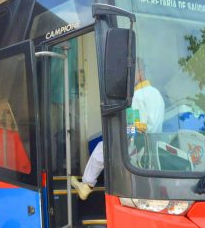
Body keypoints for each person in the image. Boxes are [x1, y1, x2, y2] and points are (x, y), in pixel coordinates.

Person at [70, 61, 165, 200]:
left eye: (131, 73)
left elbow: (136, 127)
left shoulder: (137, 96)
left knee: (101, 148)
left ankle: (86, 184)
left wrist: (119, 130)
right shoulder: (157, 94)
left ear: (140, 73)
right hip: (151, 146)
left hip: (138, 146)